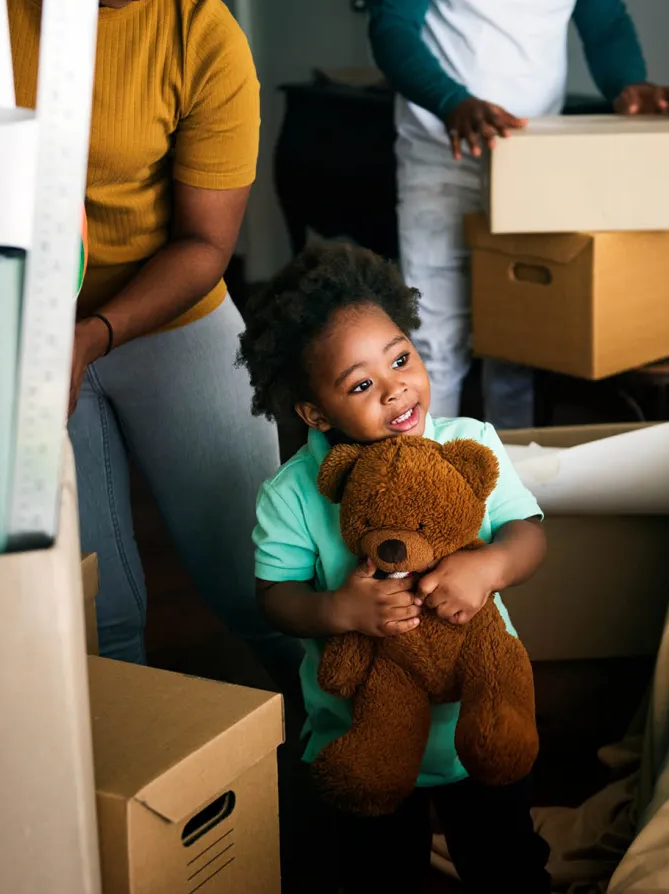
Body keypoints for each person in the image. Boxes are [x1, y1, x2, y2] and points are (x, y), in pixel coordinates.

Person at [2, 0, 300, 687]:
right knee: (94, 623)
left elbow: (205, 245)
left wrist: (92, 336)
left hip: (168, 313)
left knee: (260, 584)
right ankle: (131, 792)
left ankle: (351, 760)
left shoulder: (203, 37)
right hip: (12, 331)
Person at [236, 244, 551, 894]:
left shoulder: (470, 444)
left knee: (507, 863)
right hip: (361, 734)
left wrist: (487, 566)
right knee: (378, 874)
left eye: (401, 358)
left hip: (478, 717)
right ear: (316, 414)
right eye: (360, 385)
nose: (396, 388)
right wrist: (336, 612)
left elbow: (529, 535)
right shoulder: (293, 493)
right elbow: (274, 597)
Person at [368, 0, 669, 429]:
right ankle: (433, 490)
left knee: (517, 342)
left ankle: (509, 490)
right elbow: (392, 27)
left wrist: (628, 83)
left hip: (532, 159)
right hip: (442, 152)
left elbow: (604, 22)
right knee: (436, 340)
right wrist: (451, 101)